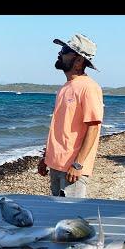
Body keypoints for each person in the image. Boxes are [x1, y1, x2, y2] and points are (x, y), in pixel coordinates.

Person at [38, 34, 104, 197]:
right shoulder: (65, 88)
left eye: (65, 50)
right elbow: (61, 128)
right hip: (56, 163)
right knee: (57, 215)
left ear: (79, 60)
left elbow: (93, 127)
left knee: (72, 218)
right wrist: (46, 157)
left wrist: (78, 164)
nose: (60, 53)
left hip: (72, 167)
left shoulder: (89, 87)